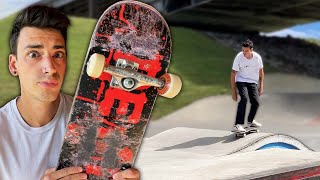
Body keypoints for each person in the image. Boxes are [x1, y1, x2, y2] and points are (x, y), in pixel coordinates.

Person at [0, 5, 140, 180]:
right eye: (34, 54)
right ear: (14, 65)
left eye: (58, 55)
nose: (50, 68)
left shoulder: (94, 121)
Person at [230, 39, 264, 132]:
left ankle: (250, 121)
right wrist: (233, 92)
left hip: (253, 81)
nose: (244, 53)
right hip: (241, 80)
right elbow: (233, 74)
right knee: (244, 98)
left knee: (256, 102)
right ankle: (237, 124)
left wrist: (261, 86)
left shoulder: (257, 58)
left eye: (246, 51)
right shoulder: (239, 57)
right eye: (243, 50)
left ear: (251, 50)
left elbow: (261, 72)